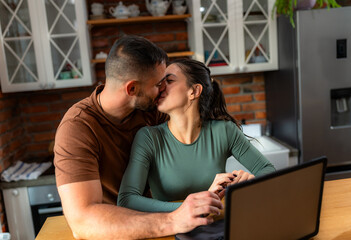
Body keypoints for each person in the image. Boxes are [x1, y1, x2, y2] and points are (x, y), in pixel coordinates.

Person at [54, 36, 223, 239]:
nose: (163, 89)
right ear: (132, 89)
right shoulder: (77, 128)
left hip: (172, 227)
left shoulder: (153, 109)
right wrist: (173, 220)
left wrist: (223, 182)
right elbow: (82, 221)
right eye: (159, 84)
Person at [118, 58, 276, 212]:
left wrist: (249, 183)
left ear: (193, 91)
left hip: (216, 226)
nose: (160, 87)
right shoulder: (149, 138)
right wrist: (194, 205)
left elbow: (267, 170)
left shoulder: (225, 131)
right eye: (160, 82)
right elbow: (126, 199)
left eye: (169, 81)